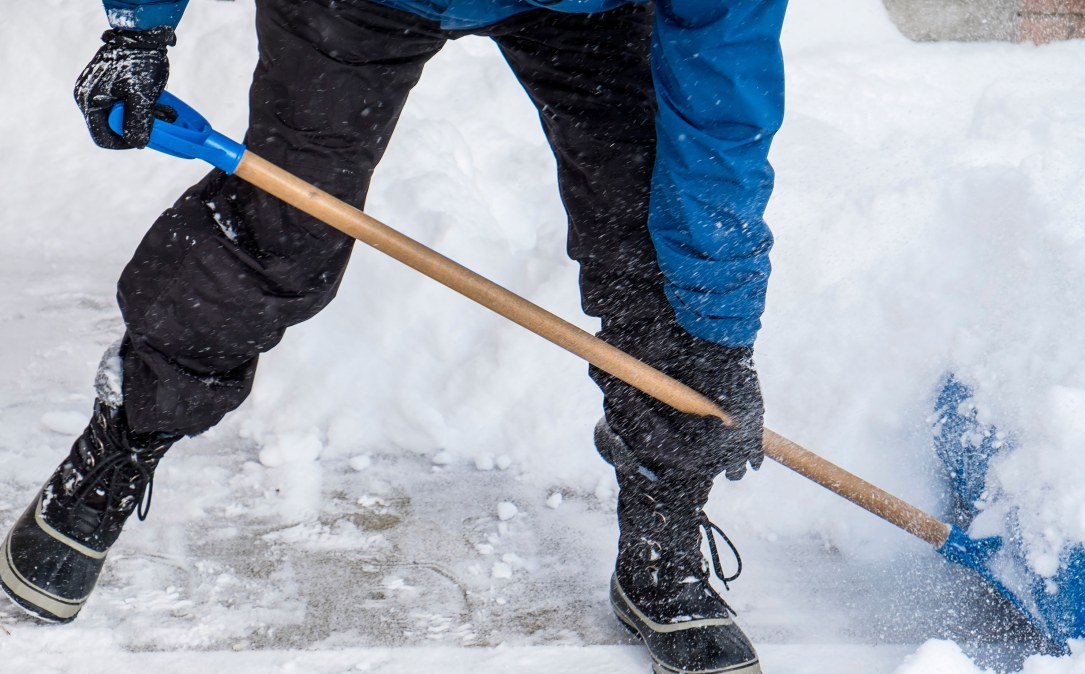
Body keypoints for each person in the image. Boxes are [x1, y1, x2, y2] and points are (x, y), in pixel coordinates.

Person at [1, 0, 785, 672]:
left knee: (657, 239)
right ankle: (128, 430)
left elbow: (722, 96)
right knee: (282, 233)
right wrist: (140, 25)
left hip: (583, 7)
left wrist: (716, 338)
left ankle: (663, 515)